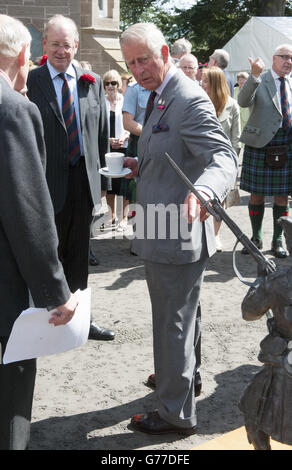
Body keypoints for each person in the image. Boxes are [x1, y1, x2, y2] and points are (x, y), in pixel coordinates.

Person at [120, 22, 237, 435]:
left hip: (176, 228)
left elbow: (223, 158)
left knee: (172, 321)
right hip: (165, 225)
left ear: (165, 52)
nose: (138, 69)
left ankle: (174, 412)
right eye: (131, 62)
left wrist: (205, 189)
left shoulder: (186, 97)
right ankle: (184, 379)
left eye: (145, 59)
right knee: (184, 317)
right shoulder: (159, 95)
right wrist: (141, 165)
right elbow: (173, 152)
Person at [0, 14, 78, 450]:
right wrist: (55, 292)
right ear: (24, 55)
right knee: (11, 392)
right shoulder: (12, 109)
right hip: (5, 290)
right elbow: (27, 213)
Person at [27, 14, 114, 341]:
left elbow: (101, 136)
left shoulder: (90, 81)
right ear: (45, 45)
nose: (62, 50)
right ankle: (44, 320)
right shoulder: (31, 81)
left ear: (76, 45)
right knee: (48, 255)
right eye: (55, 44)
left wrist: (103, 185)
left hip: (84, 183)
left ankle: (82, 320)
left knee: (79, 255)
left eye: (67, 44)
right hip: (45, 183)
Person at [239, 45, 292, 259]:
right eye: (285, 57)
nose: (289, 61)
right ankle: (255, 237)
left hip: (287, 142)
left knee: (283, 196)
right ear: (274, 59)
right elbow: (243, 102)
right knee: (257, 194)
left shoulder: (291, 82)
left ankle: (278, 239)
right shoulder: (261, 79)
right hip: (261, 143)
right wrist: (254, 75)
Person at [202, 66, 241, 251]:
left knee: (219, 201)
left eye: (204, 81)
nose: (201, 84)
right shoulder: (199, 102)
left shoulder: (232, 105)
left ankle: (215, 235)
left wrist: (231, 168)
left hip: (222, 161)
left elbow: (236, 138)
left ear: (215, 83)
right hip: (200, 160)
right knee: (201, 199)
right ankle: (200, 235)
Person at [103, 69, 130, 231]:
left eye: (114, 83)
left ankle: (124, 217)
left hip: (123, 145)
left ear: (119, 85)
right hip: (107, 146)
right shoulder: (101, 102)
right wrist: (108, 140)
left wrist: (124, 137)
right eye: (107, 83)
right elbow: (98, 126)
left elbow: (130, 122)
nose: (111, 86)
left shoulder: (124, 101)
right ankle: (111, 215)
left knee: (124, 183)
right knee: (110, 183)